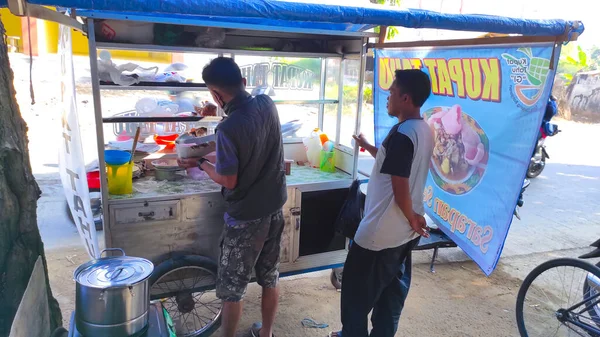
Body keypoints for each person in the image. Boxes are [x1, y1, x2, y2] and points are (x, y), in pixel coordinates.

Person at [178, 57, 287, 337]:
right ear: (244, 82)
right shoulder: (266, 104)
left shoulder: (228, 128)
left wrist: (201, 164)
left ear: (214, 94)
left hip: (246, 219)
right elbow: (247, 151)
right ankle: (267, 332)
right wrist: (207, 155)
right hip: (275, 208)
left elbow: (229, 178)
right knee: (269, 276)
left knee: (232, 290)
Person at [330, 69, 434, 337]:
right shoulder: (422, 129)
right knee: (389, 302)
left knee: (354, 302)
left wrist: (411, 215)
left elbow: (400, 187)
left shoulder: (402, 134)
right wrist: (367, 145)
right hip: (403, 236)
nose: (387, 96)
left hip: (378, 236)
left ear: (406, 98)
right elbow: (393, 164)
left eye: (391, 91)